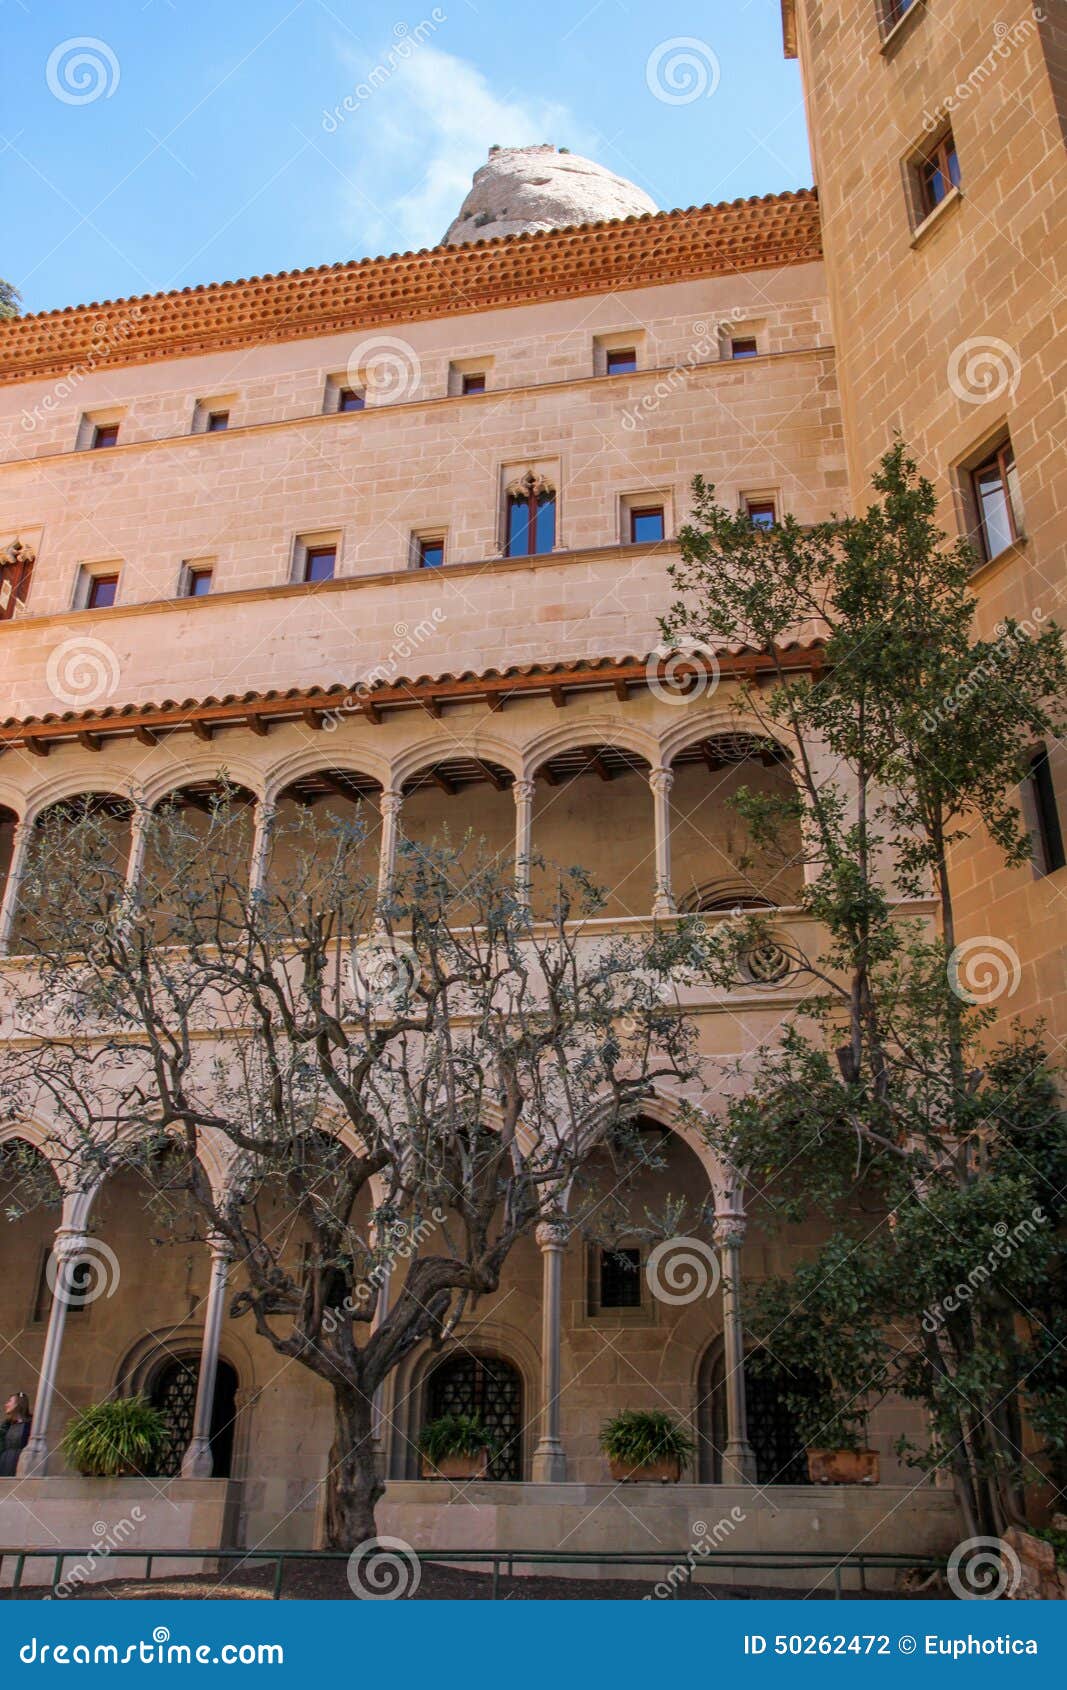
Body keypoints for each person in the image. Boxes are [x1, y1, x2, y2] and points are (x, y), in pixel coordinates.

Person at [0, 1392, 32, 1476]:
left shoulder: (30, 1424)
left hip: (19, 1461)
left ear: (18, 1404)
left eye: (10, 1401)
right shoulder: (6, 1425)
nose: (6, 1404)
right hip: (4, 1461)